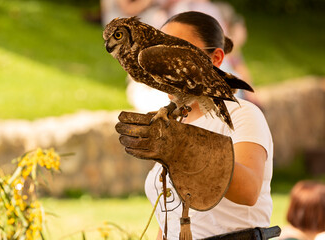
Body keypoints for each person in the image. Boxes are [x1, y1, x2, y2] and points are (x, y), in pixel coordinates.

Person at [116, 11, 273, 239]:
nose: (165, 59)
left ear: (216, 60)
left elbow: (248, 191)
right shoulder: (172, 123)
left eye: (177, 51)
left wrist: (184, 146)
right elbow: (169, 218)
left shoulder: (242, 114)